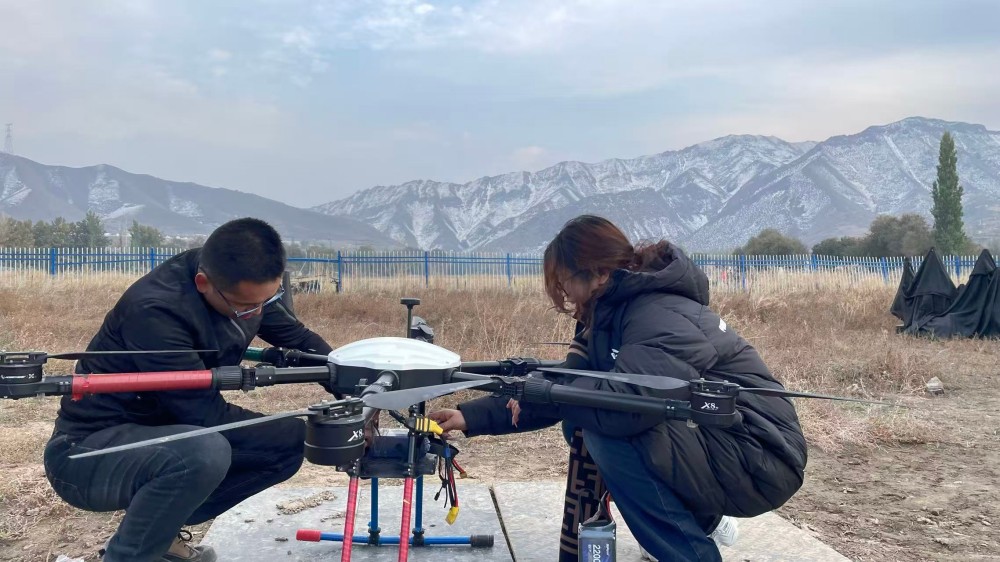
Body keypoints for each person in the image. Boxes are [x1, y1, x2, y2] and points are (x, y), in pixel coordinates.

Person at [429, 215, 808, 561]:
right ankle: (701, 519)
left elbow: (626, 405)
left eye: (564, 281)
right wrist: (470, 415)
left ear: (597, 273)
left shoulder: (657, 312)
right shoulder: (609, 314)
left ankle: (690, 551)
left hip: (759, 454)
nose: (564, 295)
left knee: (608, 434)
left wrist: (543, 392)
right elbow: (573, 383)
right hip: (716, 438)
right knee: (581, 423)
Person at [43, 218, 336, 562]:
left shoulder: (238, 282)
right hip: (87, 453)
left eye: (267, 301)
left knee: (287, 443)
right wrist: (320, 430)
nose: (256, 313)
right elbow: (204, 416)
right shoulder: (156, 310)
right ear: (202, 283)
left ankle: (160, 533)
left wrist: (353, 385)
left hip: (161, 437)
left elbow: (299, 340)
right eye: (245, 307)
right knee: (203, 452)